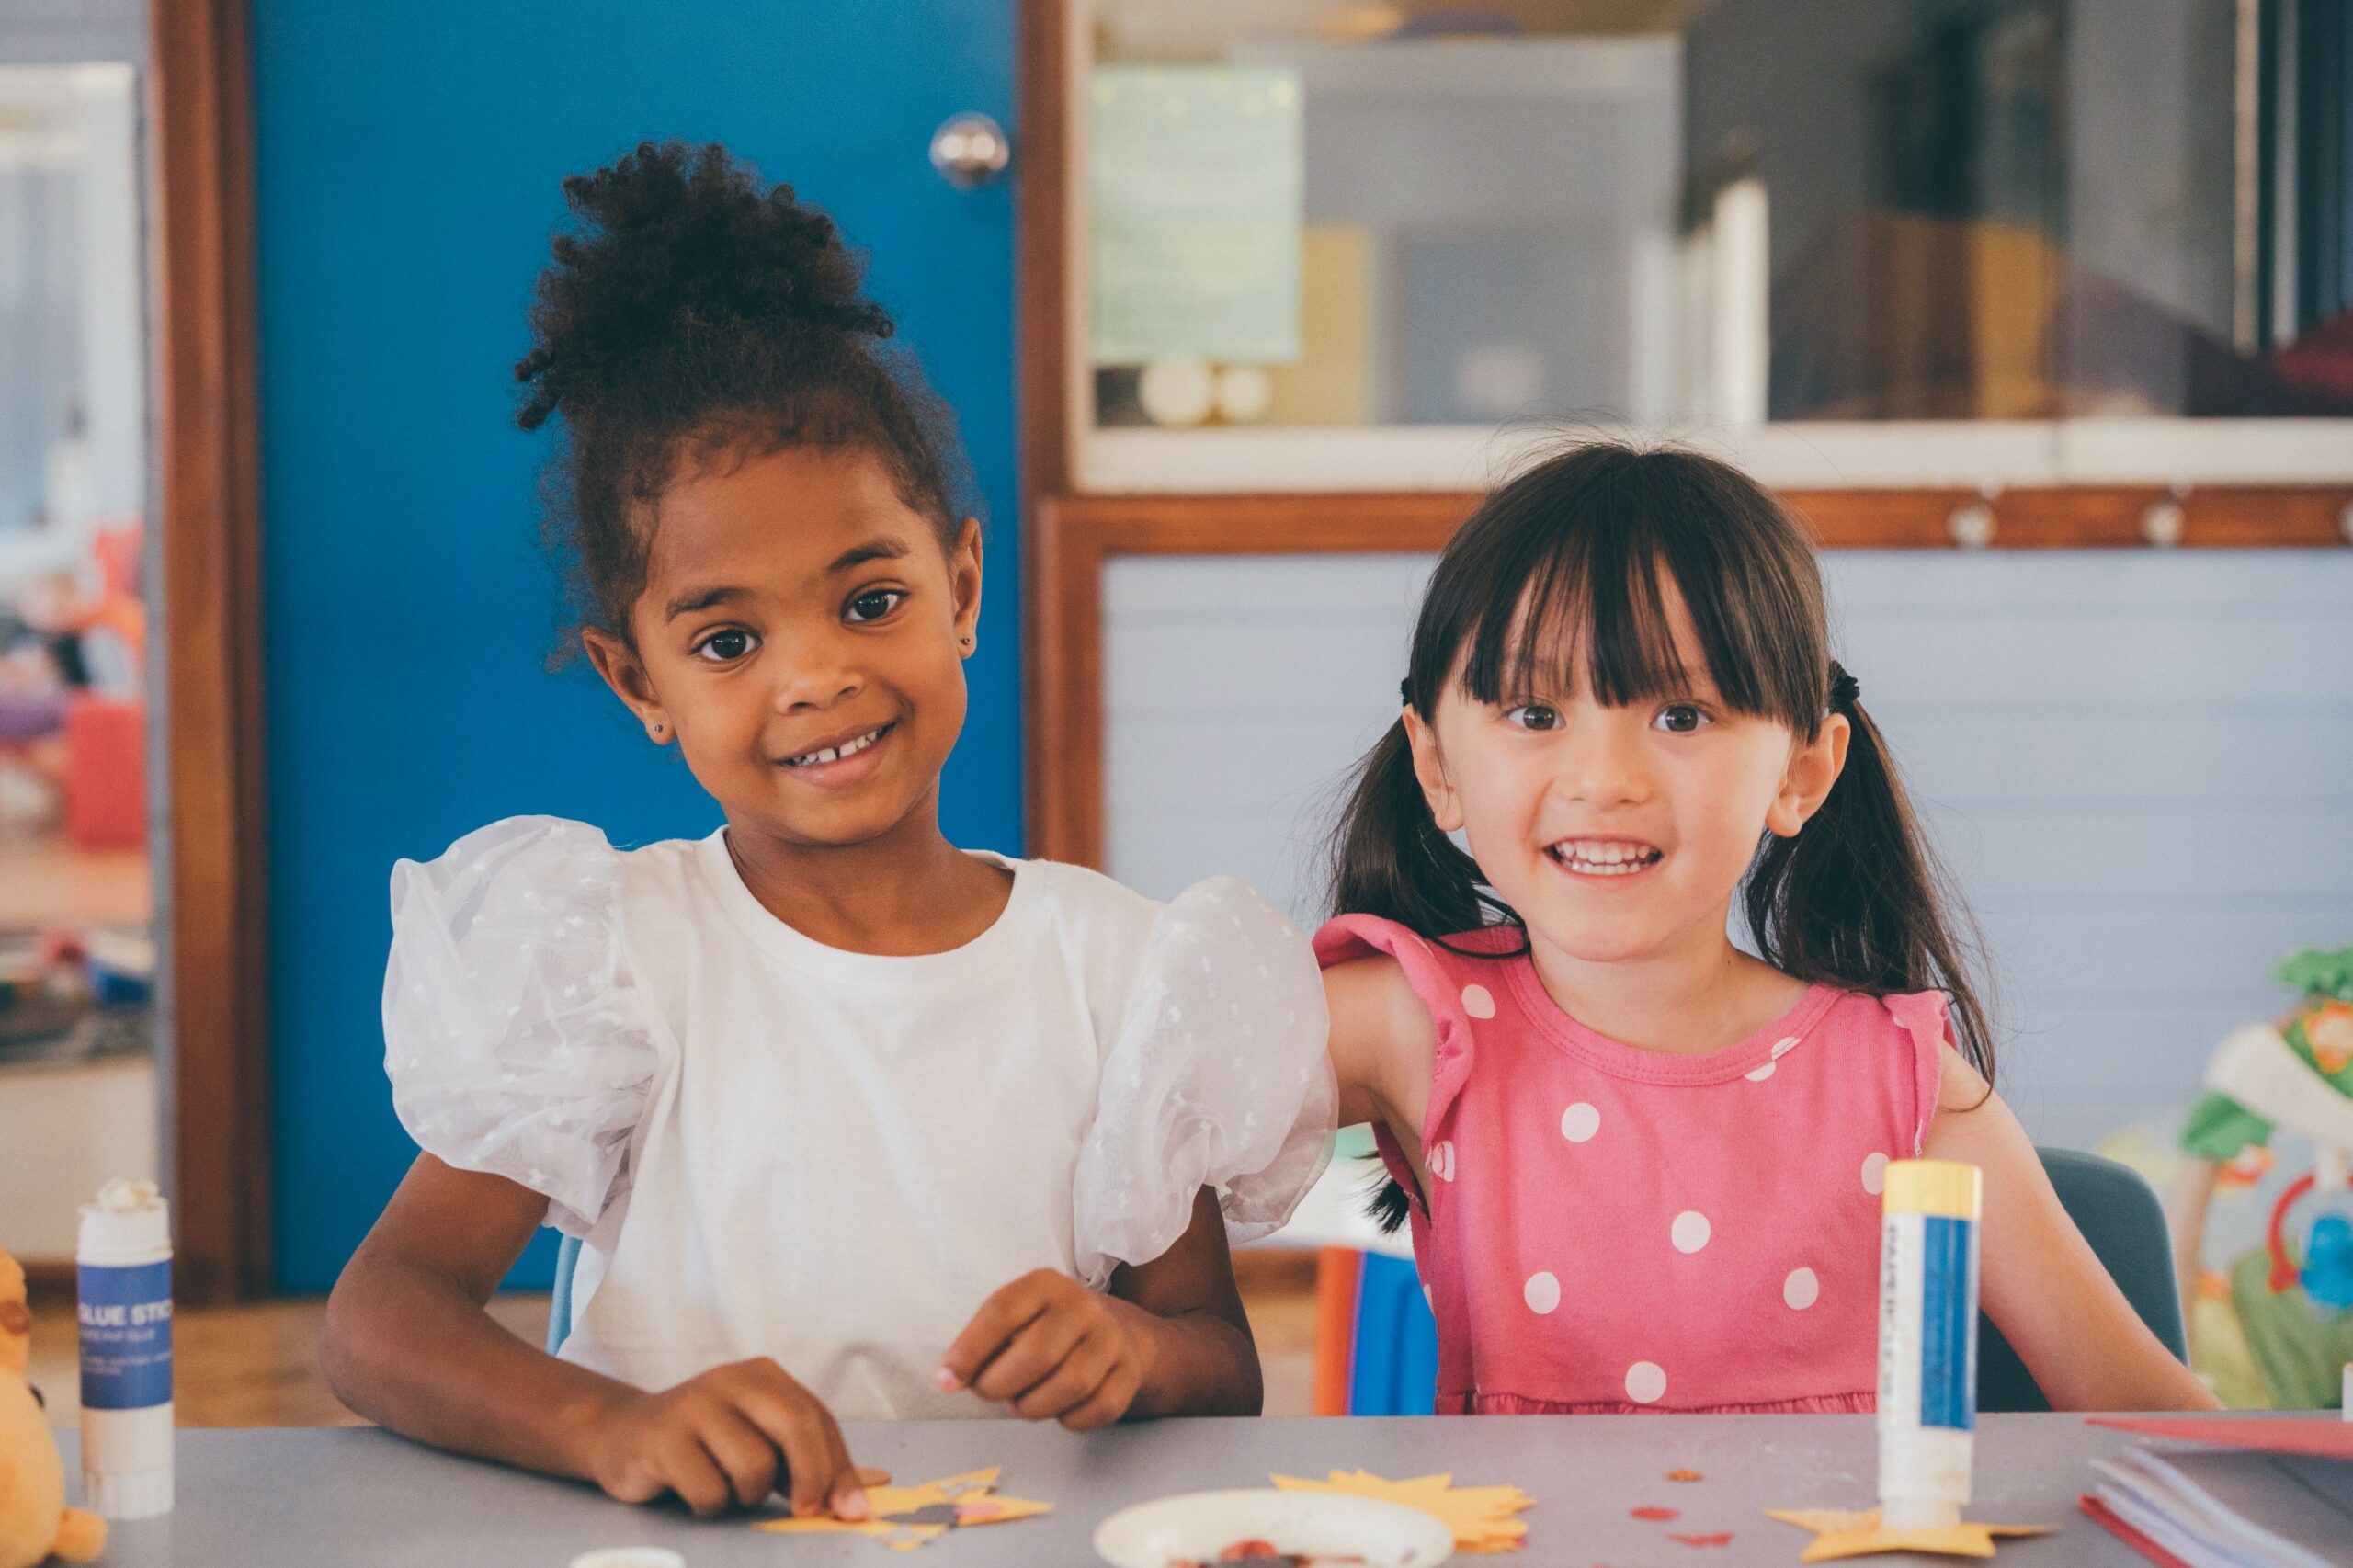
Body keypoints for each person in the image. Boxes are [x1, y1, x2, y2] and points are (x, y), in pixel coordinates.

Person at [322, 142, 1333, 1519]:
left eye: (869, 601)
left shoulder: (1119, 969)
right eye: (729, 638)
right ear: (641, 686)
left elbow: (1219, 1361)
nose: (814, 677)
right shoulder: (620, 958)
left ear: (961, 589)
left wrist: (1135, 1349)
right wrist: (612, 1425)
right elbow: (381, 1316)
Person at [1320, 442, 2217, 1415]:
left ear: (1800, 773)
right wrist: (1178, 1337)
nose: (1603, 777)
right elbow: (1152, 1090)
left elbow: (2160, 1424)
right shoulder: (1414, 1024)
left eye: (1681, 714)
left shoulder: (1904, 1088)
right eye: (1535, 710)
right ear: (1437, 762)